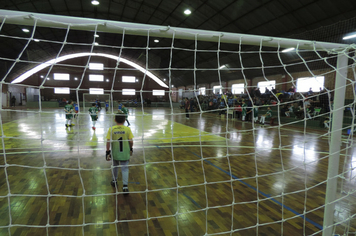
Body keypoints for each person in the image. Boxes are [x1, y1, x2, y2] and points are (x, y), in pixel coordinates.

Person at [106, 112, 134, 193]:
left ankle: (114, 181)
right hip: (125, 152)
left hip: (115, 152)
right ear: (125, 120)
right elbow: (131, 141)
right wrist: (131, 148)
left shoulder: (111, 129)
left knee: (115, 166)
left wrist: (107, 152)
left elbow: (108, 141)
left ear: (115, 120)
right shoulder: (127, 129)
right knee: (125, 168)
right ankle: (125, 187)